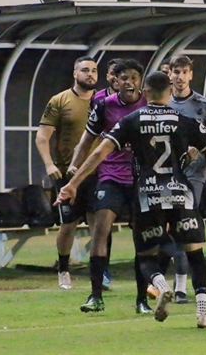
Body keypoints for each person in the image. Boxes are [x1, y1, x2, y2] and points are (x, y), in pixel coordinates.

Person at [56, 71, 206, 328]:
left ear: (146, 92)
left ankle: (161, 286)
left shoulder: (132, 120)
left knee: (147, 256)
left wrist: (73, 183)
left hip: (148, 196)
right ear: (170, 92)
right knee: (195, 255)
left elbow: (98, 153)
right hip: (180, 195)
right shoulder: (183, 120)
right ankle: (202, 314)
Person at [70, 59, 150, 314]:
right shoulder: (104, 105)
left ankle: (142, 300)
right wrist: (74, 167)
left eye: (134, 77)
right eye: (124, 77)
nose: (129, 82)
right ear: (116, 80)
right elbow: (87, 140)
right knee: (100, 230)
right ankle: (95, 296)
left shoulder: (150, 103)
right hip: (111, 176)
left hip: (141, 180)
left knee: (143, 238)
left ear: (140, 80)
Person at [164, 54, 206, 304]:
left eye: (184, 72)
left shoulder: (205, 105)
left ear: (191, 74)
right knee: (168, 230)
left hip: (194, 175)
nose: (179, 77)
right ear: (169, 74)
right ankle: (163, 281)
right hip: (165, 175)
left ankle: (180, 285)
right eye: (175, 72)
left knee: (184, 226)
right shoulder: (161, 103)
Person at [35, 56, 98, 290]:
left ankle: (100, 271)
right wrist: (49, 165)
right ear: (75, 73)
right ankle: (63, 268)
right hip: (67, 174)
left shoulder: (103, 101)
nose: (90, 74)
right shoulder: (59, 100)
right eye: (85, 70)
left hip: (99, 173)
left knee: (99, 222)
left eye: (94, 70)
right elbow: (42, 137)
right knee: (69, 223)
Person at [89, 57, 123, 290]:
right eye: (112, 74)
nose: (115, 78)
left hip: (132, 173)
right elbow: (91, 135)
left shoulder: (140, 101)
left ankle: (151, 275)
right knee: (103, 223)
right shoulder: (99, 100)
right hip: (104, 169)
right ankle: (103, 273)